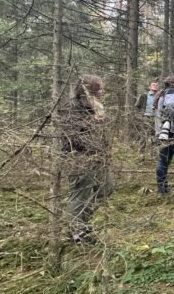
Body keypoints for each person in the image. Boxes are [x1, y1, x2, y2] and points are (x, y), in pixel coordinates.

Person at [57, 75, 114, 244]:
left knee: (107, 187)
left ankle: (82, 222)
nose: (103, 91)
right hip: (79, 158)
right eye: (100, 88)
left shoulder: (95, 107)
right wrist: (92, 122)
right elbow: (70, 137)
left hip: (98, 157)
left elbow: (100, 133)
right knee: (80, 194)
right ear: (90, 90)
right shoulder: (73, 107)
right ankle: (77, 232)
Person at [134, 80, 159, 154]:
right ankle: (141, 155)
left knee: (154, 137)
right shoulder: (144, 96)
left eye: (157, 85)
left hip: (156, 119)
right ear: (149, 87)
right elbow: (137, 107)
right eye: (153, 85)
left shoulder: (159, 97)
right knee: (143, 136)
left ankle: (153, 155)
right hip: (146, 118)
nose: (155, 86)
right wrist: (140, 117)